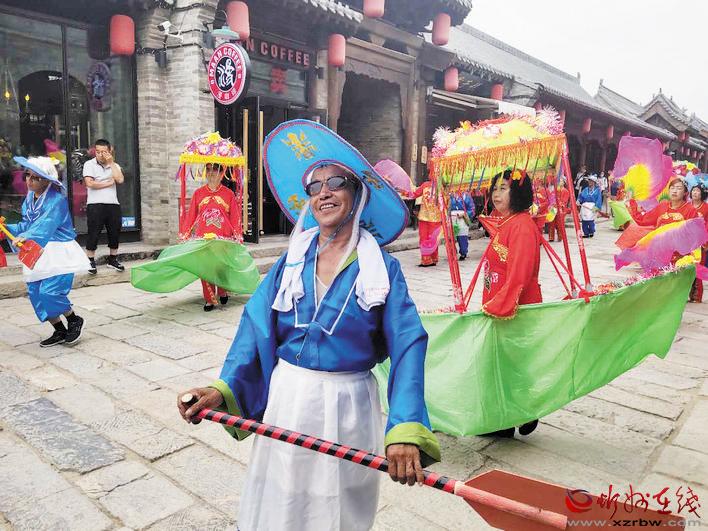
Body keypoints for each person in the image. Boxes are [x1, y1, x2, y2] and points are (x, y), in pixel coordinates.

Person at [177, 121, 440, 531]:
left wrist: (405, 426)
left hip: (349, 405)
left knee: (338, 506)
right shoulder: (290, 261)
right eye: (314, 186)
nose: (323, 193)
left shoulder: (382, 269)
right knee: (281, 498)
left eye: (336, 182)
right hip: (290, 397)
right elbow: (255, 329)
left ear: (357, 193)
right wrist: (222, 389)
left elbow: (408, 343)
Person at [480, 168, 541, 437]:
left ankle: (518, 414)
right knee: (501, 363)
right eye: (495, 188)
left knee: (510, 363)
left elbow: (520, 274)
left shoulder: (522, 226)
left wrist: (500, 306)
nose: (496, 194)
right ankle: (508, 418)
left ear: (518, 192)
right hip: (499, 303)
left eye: (503, 188)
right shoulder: (506, 222)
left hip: (513, 308)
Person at [2, 157, 88, 346]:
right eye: (28, 175)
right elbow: (27, 224)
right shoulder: (29, 199)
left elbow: (46, 224)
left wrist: (26, 236)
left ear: (47, 181)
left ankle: (74, 319)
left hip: (58, 251)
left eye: (36, 177)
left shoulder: (56, 200)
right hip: (37, 250)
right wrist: (7, 228)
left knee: (51, 292)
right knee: (35, 293)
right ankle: (59, 329)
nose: (30, 180)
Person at [180, 163, 242, 311]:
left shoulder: (228, 194)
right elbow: (191, 215)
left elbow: (235, 216)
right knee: (206, 268)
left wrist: (237, 235)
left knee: (221, 266)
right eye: (208, 170)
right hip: (204, 239)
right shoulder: (198, 193)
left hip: (223, 238)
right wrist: (185, 233)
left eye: (215, 170)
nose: (211, 173)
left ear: (222, 173)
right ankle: (209, 299)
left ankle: (222, 290)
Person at [82, 138, 125, 274]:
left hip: (113, 203)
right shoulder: (89, 164)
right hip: (95, 204)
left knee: (114, 232)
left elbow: (120, 179)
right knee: (93, 232)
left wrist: (111, 163)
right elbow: (90, 183)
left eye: (104, 152)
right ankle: (90, 260)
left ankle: (113, 259)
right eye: (98, 151)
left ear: (109, 151)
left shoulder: (114, 166)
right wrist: (108, 183)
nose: (100, 154)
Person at [409, 176, 441, 267]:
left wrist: (406, 189)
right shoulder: (440, 187)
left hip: (428, 217)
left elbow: (414, 194)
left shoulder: (427, 185)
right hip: (433, 217)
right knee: (433, 238)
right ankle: (432, 259)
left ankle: (428, 260)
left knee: (425, 238)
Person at [689, 183, 707, 303]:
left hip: (700, 242)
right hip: (687, 242)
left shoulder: (706, 208)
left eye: (698, 191)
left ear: (702, 193)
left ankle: (697, 296)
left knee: (698, 269)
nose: (695, 193)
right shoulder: (687, 206)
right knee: (687, 268)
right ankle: (687, 294)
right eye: (693, 190)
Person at [449, 190, 475, 260]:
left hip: (462, 218)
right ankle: (452, 252)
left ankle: (463, 252)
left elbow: (472, 209)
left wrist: (464, 214)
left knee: (462, 236)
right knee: (450, 237)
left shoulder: (466, 195)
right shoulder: (450, 194)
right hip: (451, 218)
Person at [549, 178, 571, 242]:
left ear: (564, 182)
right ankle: (551, 237)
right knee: (551, 222)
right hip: (553, 208)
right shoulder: (555, 190)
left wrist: (557, 204)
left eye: (561, 181)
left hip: (560, 209)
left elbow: (564, 201)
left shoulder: (566, 191)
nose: (559, 182)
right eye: (559, 181)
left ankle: (560, 237)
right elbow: (551, 198)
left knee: (559, 224)